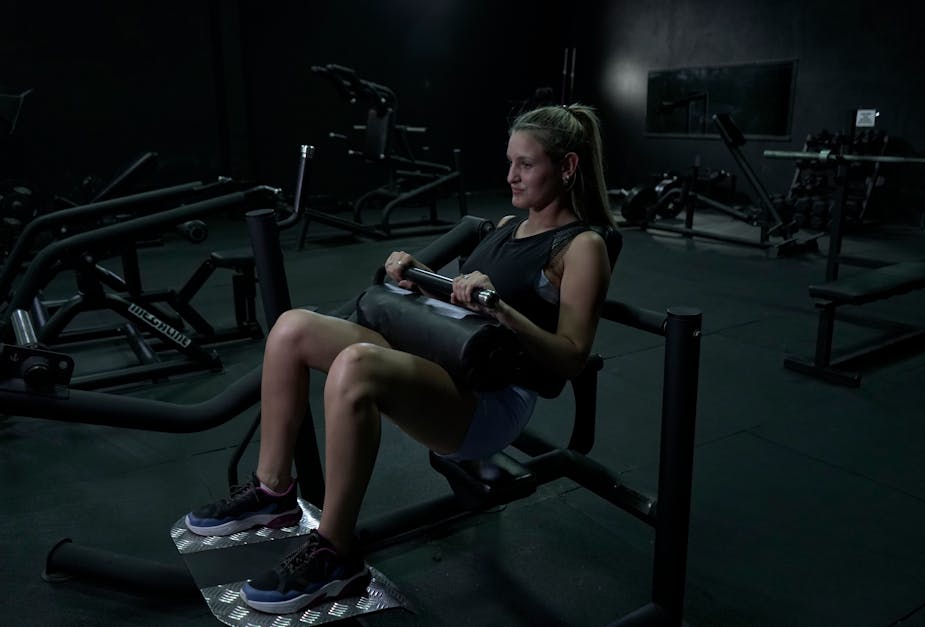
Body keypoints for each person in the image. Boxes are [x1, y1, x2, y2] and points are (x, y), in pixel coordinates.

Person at [184, 103, 616, 615]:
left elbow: (570, 359)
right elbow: (454, 313)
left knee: (357, 365)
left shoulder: (582, 246)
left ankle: (337, 554)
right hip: (449, 363)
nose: (510, 176)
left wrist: (500, 308)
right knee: (292, 327)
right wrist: (418, 275)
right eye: (509, 161)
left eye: (526, 164)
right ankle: (274, 492)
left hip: (489, 402)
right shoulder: (505, 225)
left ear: (567, 168)